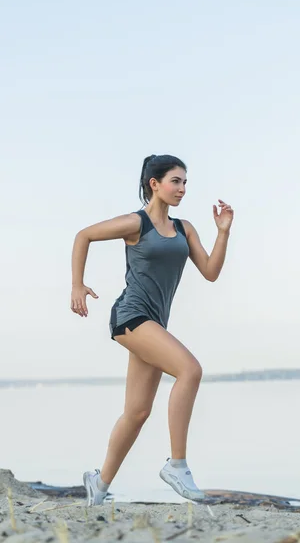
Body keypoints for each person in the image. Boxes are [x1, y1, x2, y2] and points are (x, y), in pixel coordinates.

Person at [70, 154, 234, 506]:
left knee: (138, 412)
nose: (182, 189)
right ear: (154, 184)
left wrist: (223, 233)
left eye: (185, 182)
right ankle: (177, 465)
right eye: (176, 181)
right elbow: (84, 235)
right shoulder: (136, 223)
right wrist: (77, 285)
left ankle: (99, 482)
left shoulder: (184, 228)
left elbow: (210, 271)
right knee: (190, 370)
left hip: (153, 323)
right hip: (131, 316)